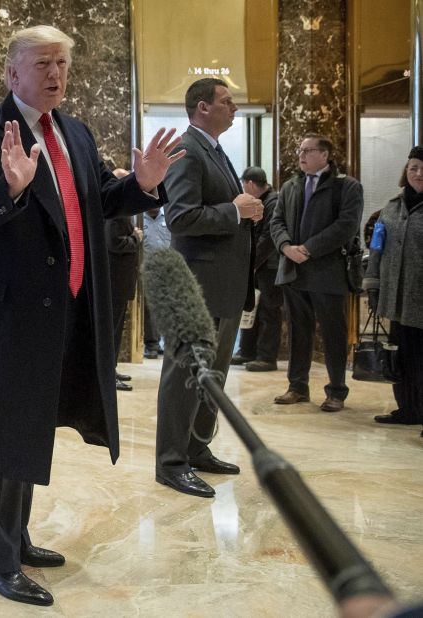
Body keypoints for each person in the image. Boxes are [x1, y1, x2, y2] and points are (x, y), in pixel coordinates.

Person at [0, 25, 180, 606]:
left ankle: (16, 538)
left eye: (63, 66)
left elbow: (98, 196)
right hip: (5, 316)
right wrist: (10, 188)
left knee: (28, 428)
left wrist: (144, 186)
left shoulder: (73, 131)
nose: (55, 75)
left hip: (62, 310)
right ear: (12, 73)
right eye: (43, 63)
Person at [155, 77, 263, 499]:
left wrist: (240, 213)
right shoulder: (186, 149)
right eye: (226, 101)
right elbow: (180, 217)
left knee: (211, 375)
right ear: (202, 107)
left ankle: (197, 449)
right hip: (197, 286)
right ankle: (171, 463)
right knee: (183, 374)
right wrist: (234, 212)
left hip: (224, 285)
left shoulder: (214, 150)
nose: (234, 107)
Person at [268, 134, 362, 413]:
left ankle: (336, 391)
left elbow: (346, 226)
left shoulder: (346, 186)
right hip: (293, 271)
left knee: (333, 332)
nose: (301, 155)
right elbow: (277, 221)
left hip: (328, 272)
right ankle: (297, 386)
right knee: (298, 331)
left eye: (308, 150)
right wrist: (286, 247)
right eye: (300, 150)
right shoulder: (290, 186)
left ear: (325, 155)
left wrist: (308, 249)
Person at [365, 147, 423, 433]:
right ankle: (408, 410)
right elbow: (377, 248)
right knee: (400, 355)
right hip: (396, 298)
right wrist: (372, 285)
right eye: (413, 167)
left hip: (420, 300)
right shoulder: (391, 207)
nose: (418, 173)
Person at [233, 166, 282, 372]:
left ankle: (267, 357)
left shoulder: (274, 202)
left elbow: (268, 238)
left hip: (270, 266)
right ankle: (247, 350)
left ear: (250, 184)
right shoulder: (259, 201)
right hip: (256, 266)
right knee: (250, 307)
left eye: (244, 185)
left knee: (269, 311)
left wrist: (250, 263)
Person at [105, 168, 143, 392]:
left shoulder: (120, 208)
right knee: (112, 329)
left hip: (120, 280)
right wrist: (135, 238)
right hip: (115, 280)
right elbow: (114, 243)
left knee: (116, 328)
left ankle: (112, 368)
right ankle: (108, 375)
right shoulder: (116, 211)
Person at [141, 204, 170, 359]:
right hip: (147, 270)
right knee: (150, 309)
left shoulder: (168, 219)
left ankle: (169, 345)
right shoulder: (137, 219)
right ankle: (152, 345)